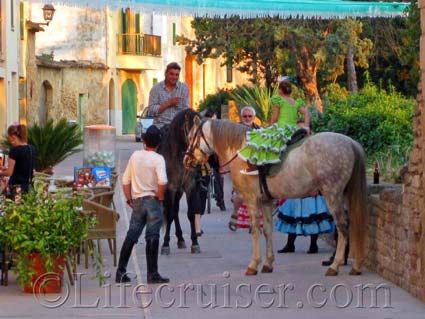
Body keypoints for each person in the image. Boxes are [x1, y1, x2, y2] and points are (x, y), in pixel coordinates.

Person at [116, 125, 169, 284]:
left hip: (138, 201)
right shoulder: (158, 159)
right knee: (152, 236)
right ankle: (152, 274)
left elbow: (125, 181)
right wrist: (159, 196)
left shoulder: (135, 156)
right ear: (159, 143)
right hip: (153, 200)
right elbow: (162, 182)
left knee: (132, 235)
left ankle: (120, 272)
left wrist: (129, 199)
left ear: (144, 141)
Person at [237, 80, 310, 175]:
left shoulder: (278, 100)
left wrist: (270, 126)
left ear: (280, 90)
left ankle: (256, 167)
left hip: (282, 127)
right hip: (293, 129)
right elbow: (306, 113)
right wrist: (306, 127)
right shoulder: (295, 102)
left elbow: (274, 118)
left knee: (259, 140)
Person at [228, 106, 261, 231]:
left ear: (254, 117)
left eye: (249, 116)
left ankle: (253, 221)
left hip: (255, 164)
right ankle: (235, 212)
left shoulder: (259, 130)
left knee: (256, 194)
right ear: (241, 117)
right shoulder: (234, 130)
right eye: (245, 116)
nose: (247, 118)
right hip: (239, 165)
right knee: (241, 194)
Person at [147, 62, 189, 130]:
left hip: (178, 127)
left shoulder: (184, 88)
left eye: (176, 75)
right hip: (160, 126)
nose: (174, 77)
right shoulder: (156, 89)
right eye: (171, 74)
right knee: (150, 133)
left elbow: (185, 109)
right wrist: (169, 103)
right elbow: (151, 111)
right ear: (166, 73)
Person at [0, 124, 35, 197]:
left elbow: (9, 172)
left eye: (9, 139)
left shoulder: (14, 151)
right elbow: (23, 167)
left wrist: (1, 173)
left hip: (16, 189)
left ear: (13, 137)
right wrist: (6, 168)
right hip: (29, 187)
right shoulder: (31, 148)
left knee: (10, 207)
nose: (10, 142)